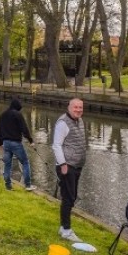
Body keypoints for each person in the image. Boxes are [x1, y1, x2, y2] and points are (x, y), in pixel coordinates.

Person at [52, 98, 86, 242]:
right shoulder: (63, 123)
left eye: (80, 107)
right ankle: (66, 229)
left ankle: (63, 227)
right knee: (68, 197)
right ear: (69, 107)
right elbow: (56, 145)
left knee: (72, 196)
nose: (78, 110)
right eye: (75, 107)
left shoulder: (80, 120)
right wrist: (63, 164)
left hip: (77, 165)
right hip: (67, 167)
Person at [0, 98, 34, 191]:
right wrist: (30, 140)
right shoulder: (17, 114)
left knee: (7, 164)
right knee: (25, 162)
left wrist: (0, 143)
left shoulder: (3, 115)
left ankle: (8, 186)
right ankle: (28, 185)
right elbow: (24, 128)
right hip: (15, 143)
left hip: (5, 143)